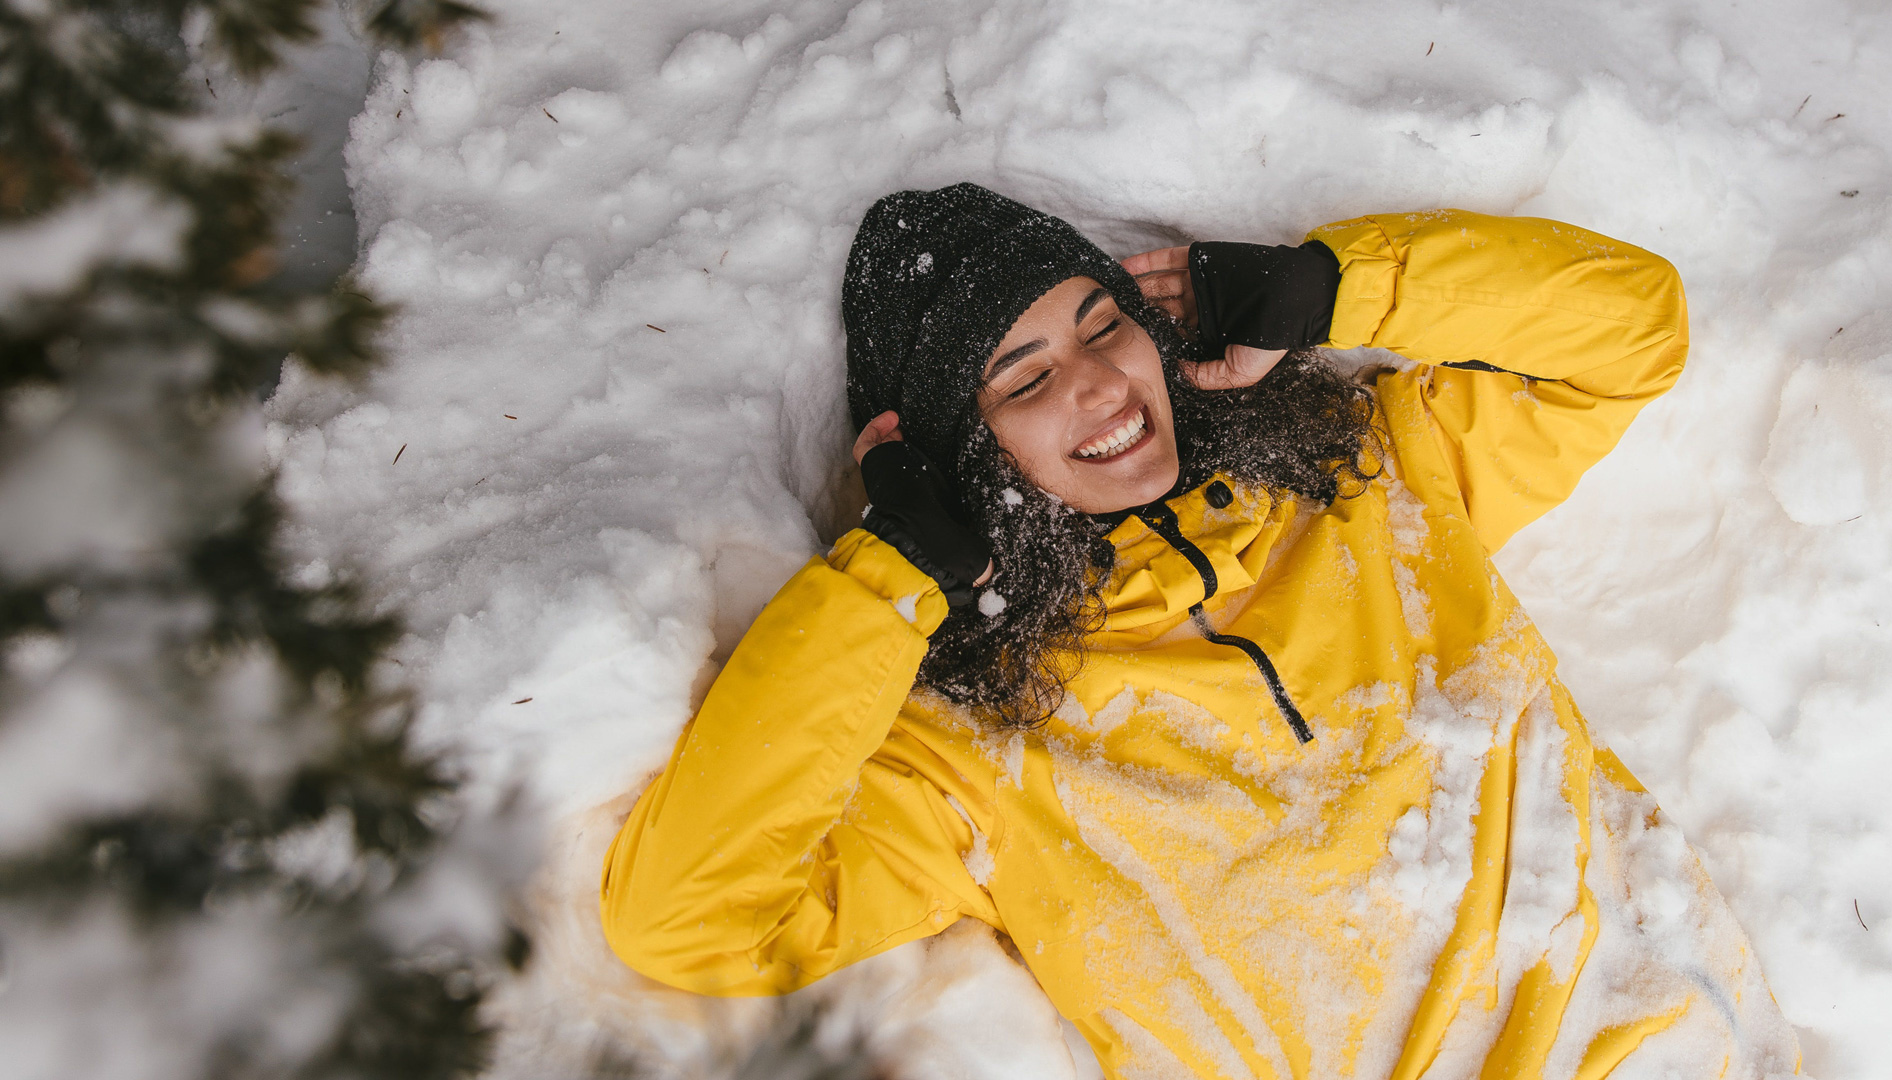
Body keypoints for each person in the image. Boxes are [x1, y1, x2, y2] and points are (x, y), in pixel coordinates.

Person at [600, 184, 1799, 1079]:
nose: (1100, 385)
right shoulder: (974, 750)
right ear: (963, 462)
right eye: (1022, 380)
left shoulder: (1372, 478)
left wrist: (1342, 287)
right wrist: (888, 578)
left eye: (1102, 325)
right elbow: (686, 920)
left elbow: (1633, 333)